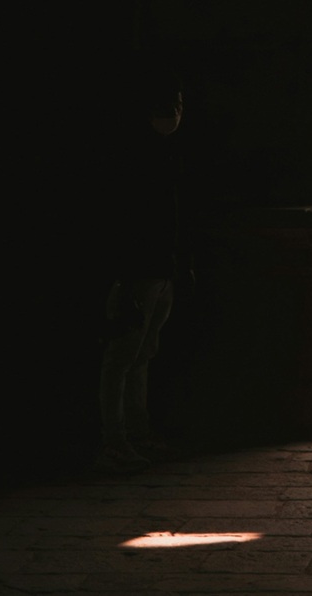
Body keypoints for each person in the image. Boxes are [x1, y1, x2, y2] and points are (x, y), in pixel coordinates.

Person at [96, 67, 187, 472]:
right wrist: (124, 278)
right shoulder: (133, 158)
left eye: (178, 105)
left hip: (160, 270)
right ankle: (115, 440)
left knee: (141, 355)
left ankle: (136, 433)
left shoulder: (163, 154)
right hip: (140, 271)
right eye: (168, 106)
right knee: (122, 358)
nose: (175, 113)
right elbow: (123, 222)